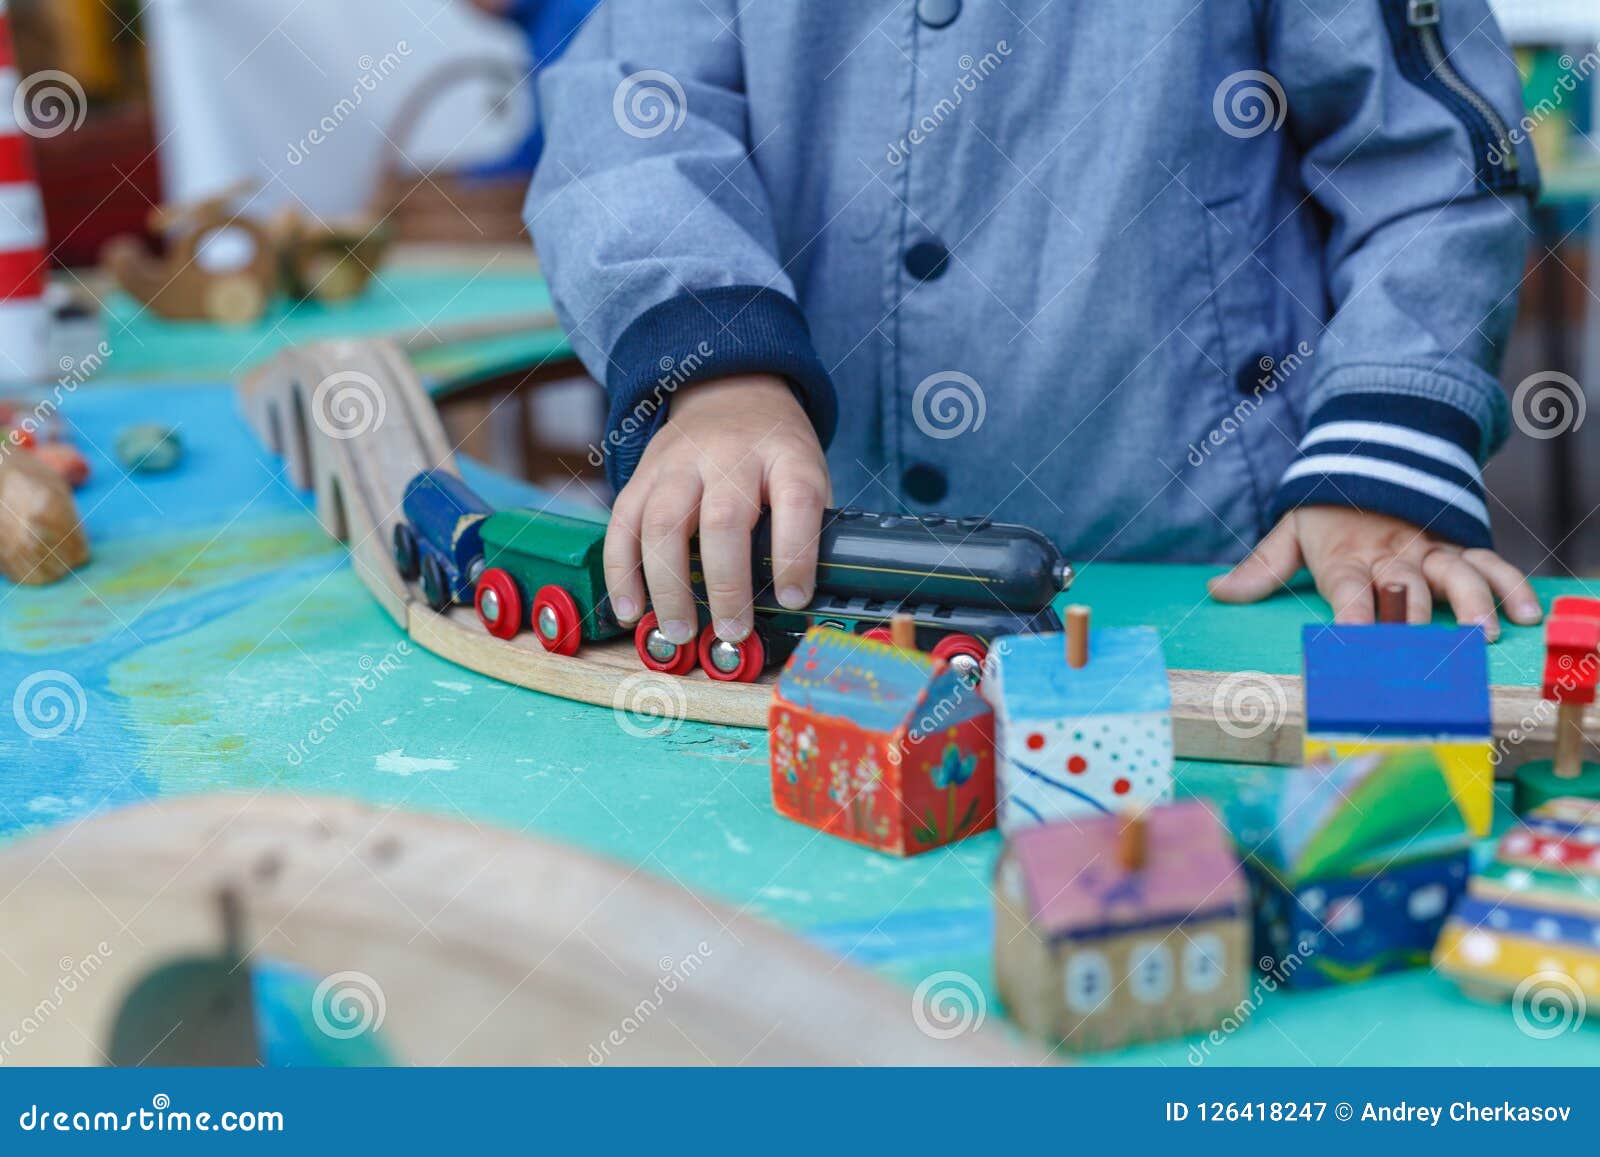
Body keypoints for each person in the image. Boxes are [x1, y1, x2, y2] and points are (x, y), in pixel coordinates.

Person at [527, 0, 1546, 654]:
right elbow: (626, 118)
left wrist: (1378, 456)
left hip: (1221, 574)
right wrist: (719, 373)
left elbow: (1433, 168)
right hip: (814, 585)